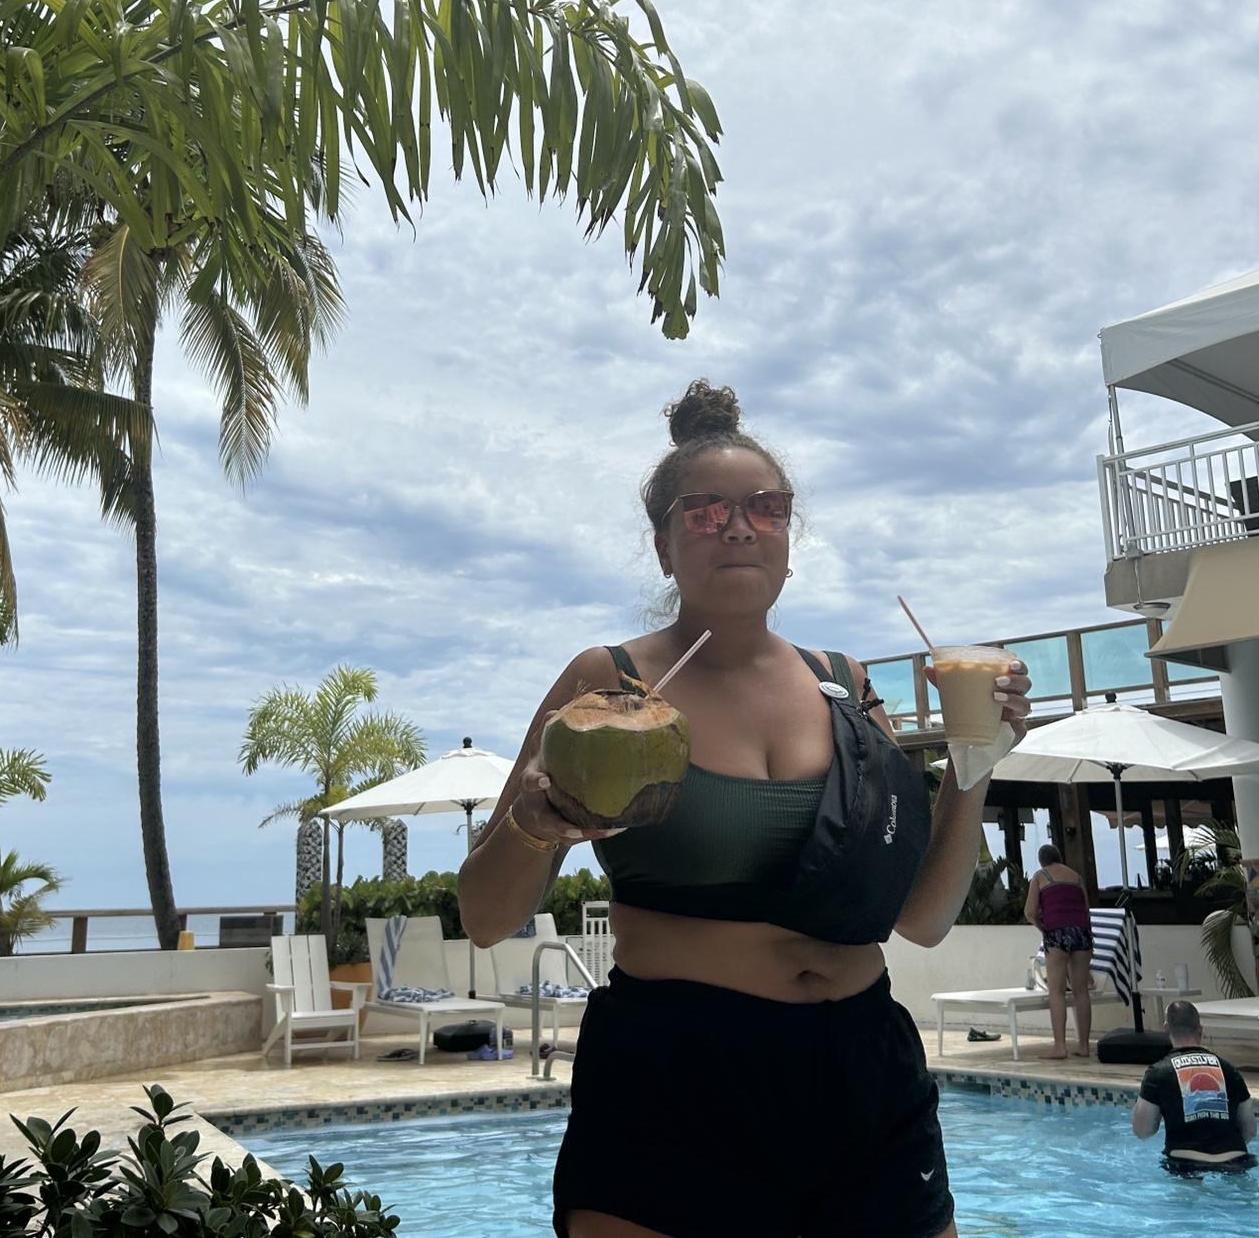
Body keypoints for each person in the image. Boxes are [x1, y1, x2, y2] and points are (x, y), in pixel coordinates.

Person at [458, 380, 1033, 1238]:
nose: (738, 527)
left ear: (789, 540)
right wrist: (536, 828)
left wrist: (975, 766)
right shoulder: (610, 683)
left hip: (864, 1070)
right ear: (663, 546)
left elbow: (920, 917)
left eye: (768, 508)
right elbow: (483, 917)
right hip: (675, 1077)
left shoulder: (845, 685)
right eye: (705, 512)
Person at [1132, 1000, 1257, 1175]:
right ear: (1200, 1029)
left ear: (1166, 1028)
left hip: (1186, 1163)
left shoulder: (1158, 1073)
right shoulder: (1228, 1069)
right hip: (1236, 1159)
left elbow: (1143, 1131)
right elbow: (1250, 1129)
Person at [1022, 843, 1094, 1059]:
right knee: (1081, 992)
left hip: (1057, 933)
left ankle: (1060, 1046)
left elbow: (1029, 911)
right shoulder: (1077, 877)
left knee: (1057, 991)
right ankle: (1084, 1046)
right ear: (1060, 857)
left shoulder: (1040, 876)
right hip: (1082, 933)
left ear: (1041, 861)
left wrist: (1042, 928)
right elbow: (1086, 910)